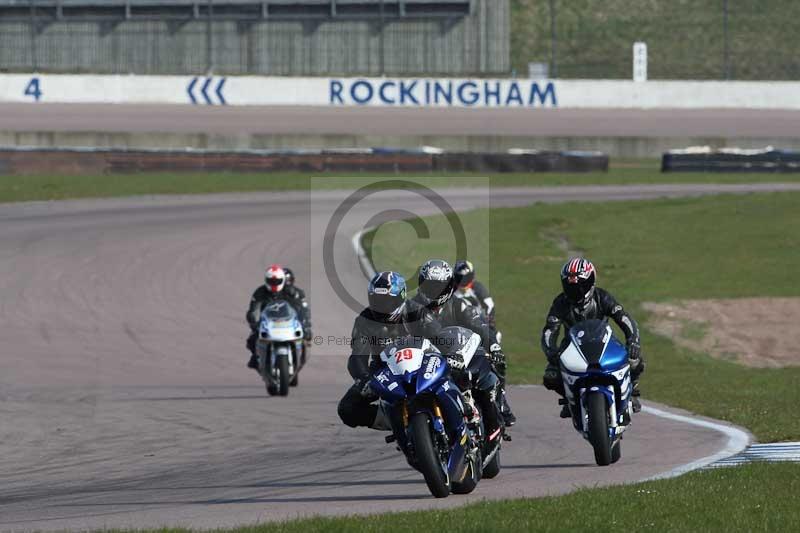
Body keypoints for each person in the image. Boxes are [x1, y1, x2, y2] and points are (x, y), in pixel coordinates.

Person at [411, 259, 516, 427]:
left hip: (458, 356)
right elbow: (399, 334)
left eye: (439, 286)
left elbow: (479, 326)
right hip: (425, 361)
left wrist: (494, 346)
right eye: (430, 286)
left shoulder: (458, 304)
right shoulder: (412, 307)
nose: (435, 291)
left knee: (490, 370)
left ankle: (500, 405)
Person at [540, 257, 644, 416]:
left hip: (605, 342)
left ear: (591, 282)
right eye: (571, 287)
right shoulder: (560, 302)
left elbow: (625, 319)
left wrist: (633, 341)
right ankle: (570, 399)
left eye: (582, 286)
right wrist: (551, 352)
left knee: (634, 360)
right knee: (551, 377)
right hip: (572, 347)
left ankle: (633, 391)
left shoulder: (602, 297)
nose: (577, 291)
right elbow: (549, 330)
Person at [337, 271, 441, 429]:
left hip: (422, 364)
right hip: (385, 370)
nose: (382, 307)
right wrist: (364, 378)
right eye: (377, 301)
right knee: (347, 408)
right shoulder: (364, 320)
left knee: (457, 374)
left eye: (387, 301)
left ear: (401, 296)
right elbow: (358, 356)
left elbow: (438, 337)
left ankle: (464, 411)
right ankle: (395, 421)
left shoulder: (417, 311)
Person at [246, 264, 312, 370]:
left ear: (283, 280)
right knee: (252, 339)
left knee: (305, 337)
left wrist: (306, 326)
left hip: (288, 323)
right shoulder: (260, 292)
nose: (274, 284)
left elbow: (302, 310)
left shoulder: (291, 292)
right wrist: (254, 323)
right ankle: (256, 358)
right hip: (267, 323)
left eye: (277, 281)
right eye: (271, 281)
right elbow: (253, 310)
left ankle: (300, 358)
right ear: (266, 280)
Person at [453, 260, 496, 329]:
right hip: (457, 325)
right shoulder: (451, 290)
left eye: (466, 278)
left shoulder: (478, 289)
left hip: (477, 324)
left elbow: (490, 306)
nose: (463, 282)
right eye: (460, 278)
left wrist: (489, 321)